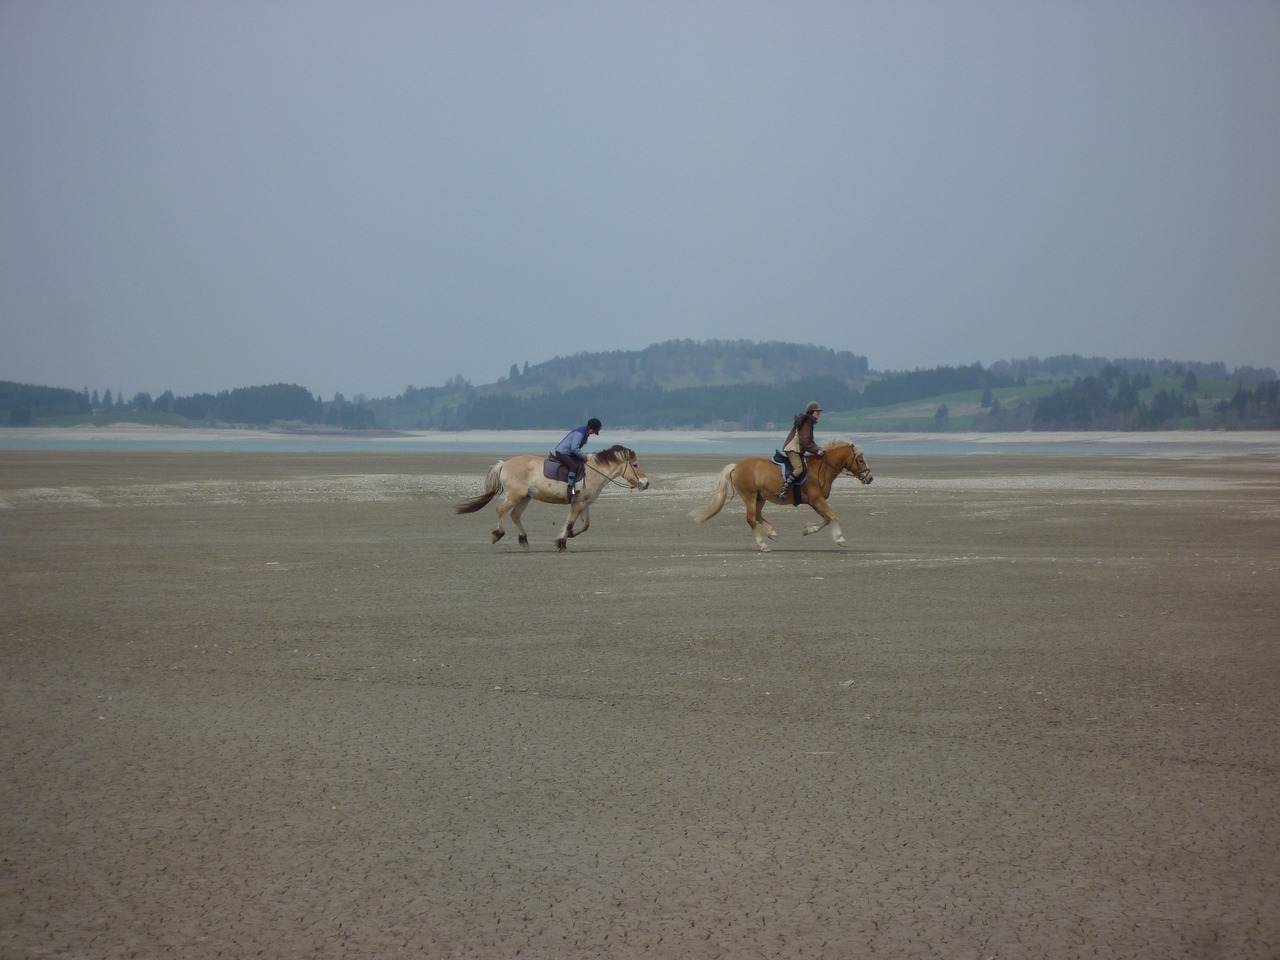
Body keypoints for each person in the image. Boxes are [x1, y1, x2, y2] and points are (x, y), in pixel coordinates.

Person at [779, 402, 824, 500]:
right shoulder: (807, 422)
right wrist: (816, 451)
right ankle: (784, 489)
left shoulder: (809, 422)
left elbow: (810, 441)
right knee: (799, 468)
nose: (819, 413)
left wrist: (818, 448)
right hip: (792, 448)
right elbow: (805, 442)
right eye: (817, 412)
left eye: (819, 412)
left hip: (798, 449)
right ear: (812, 412)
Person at [554, 418, 601, 499]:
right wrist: (585, 456)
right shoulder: (580, 433)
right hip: (562, 452)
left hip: (569, 453)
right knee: (574, 466)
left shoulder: (584, 433)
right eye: (594, 431)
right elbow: (574, 448)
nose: (593, 433)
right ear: (591, 428)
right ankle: (569, 489)